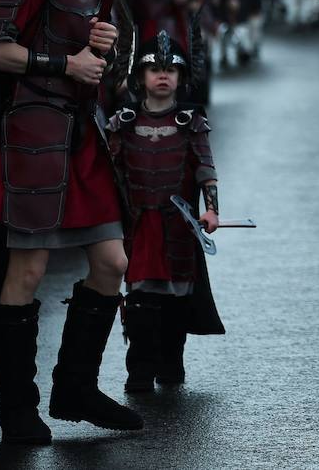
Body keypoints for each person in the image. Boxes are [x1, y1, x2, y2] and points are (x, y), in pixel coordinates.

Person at [0, 0, 140, 444]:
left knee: (112, 262)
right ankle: (17, 409)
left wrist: (107, 51)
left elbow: (108, 76)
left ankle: (75, 385)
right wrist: (64, 64)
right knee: (27, 269)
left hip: (83, 131)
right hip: (34, 131)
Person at [109, 30, 224, 394]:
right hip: (139, 226)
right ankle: (139, 370)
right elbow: (108, 175)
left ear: (181, 77)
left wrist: (212, 212)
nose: (163, 76)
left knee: (176, 301)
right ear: (140, 77)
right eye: (154, 69)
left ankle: (172, 362)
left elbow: (206, 169)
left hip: (178, 228)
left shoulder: (190, 122)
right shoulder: (122, 123)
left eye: (170, 70)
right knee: (141, 299)